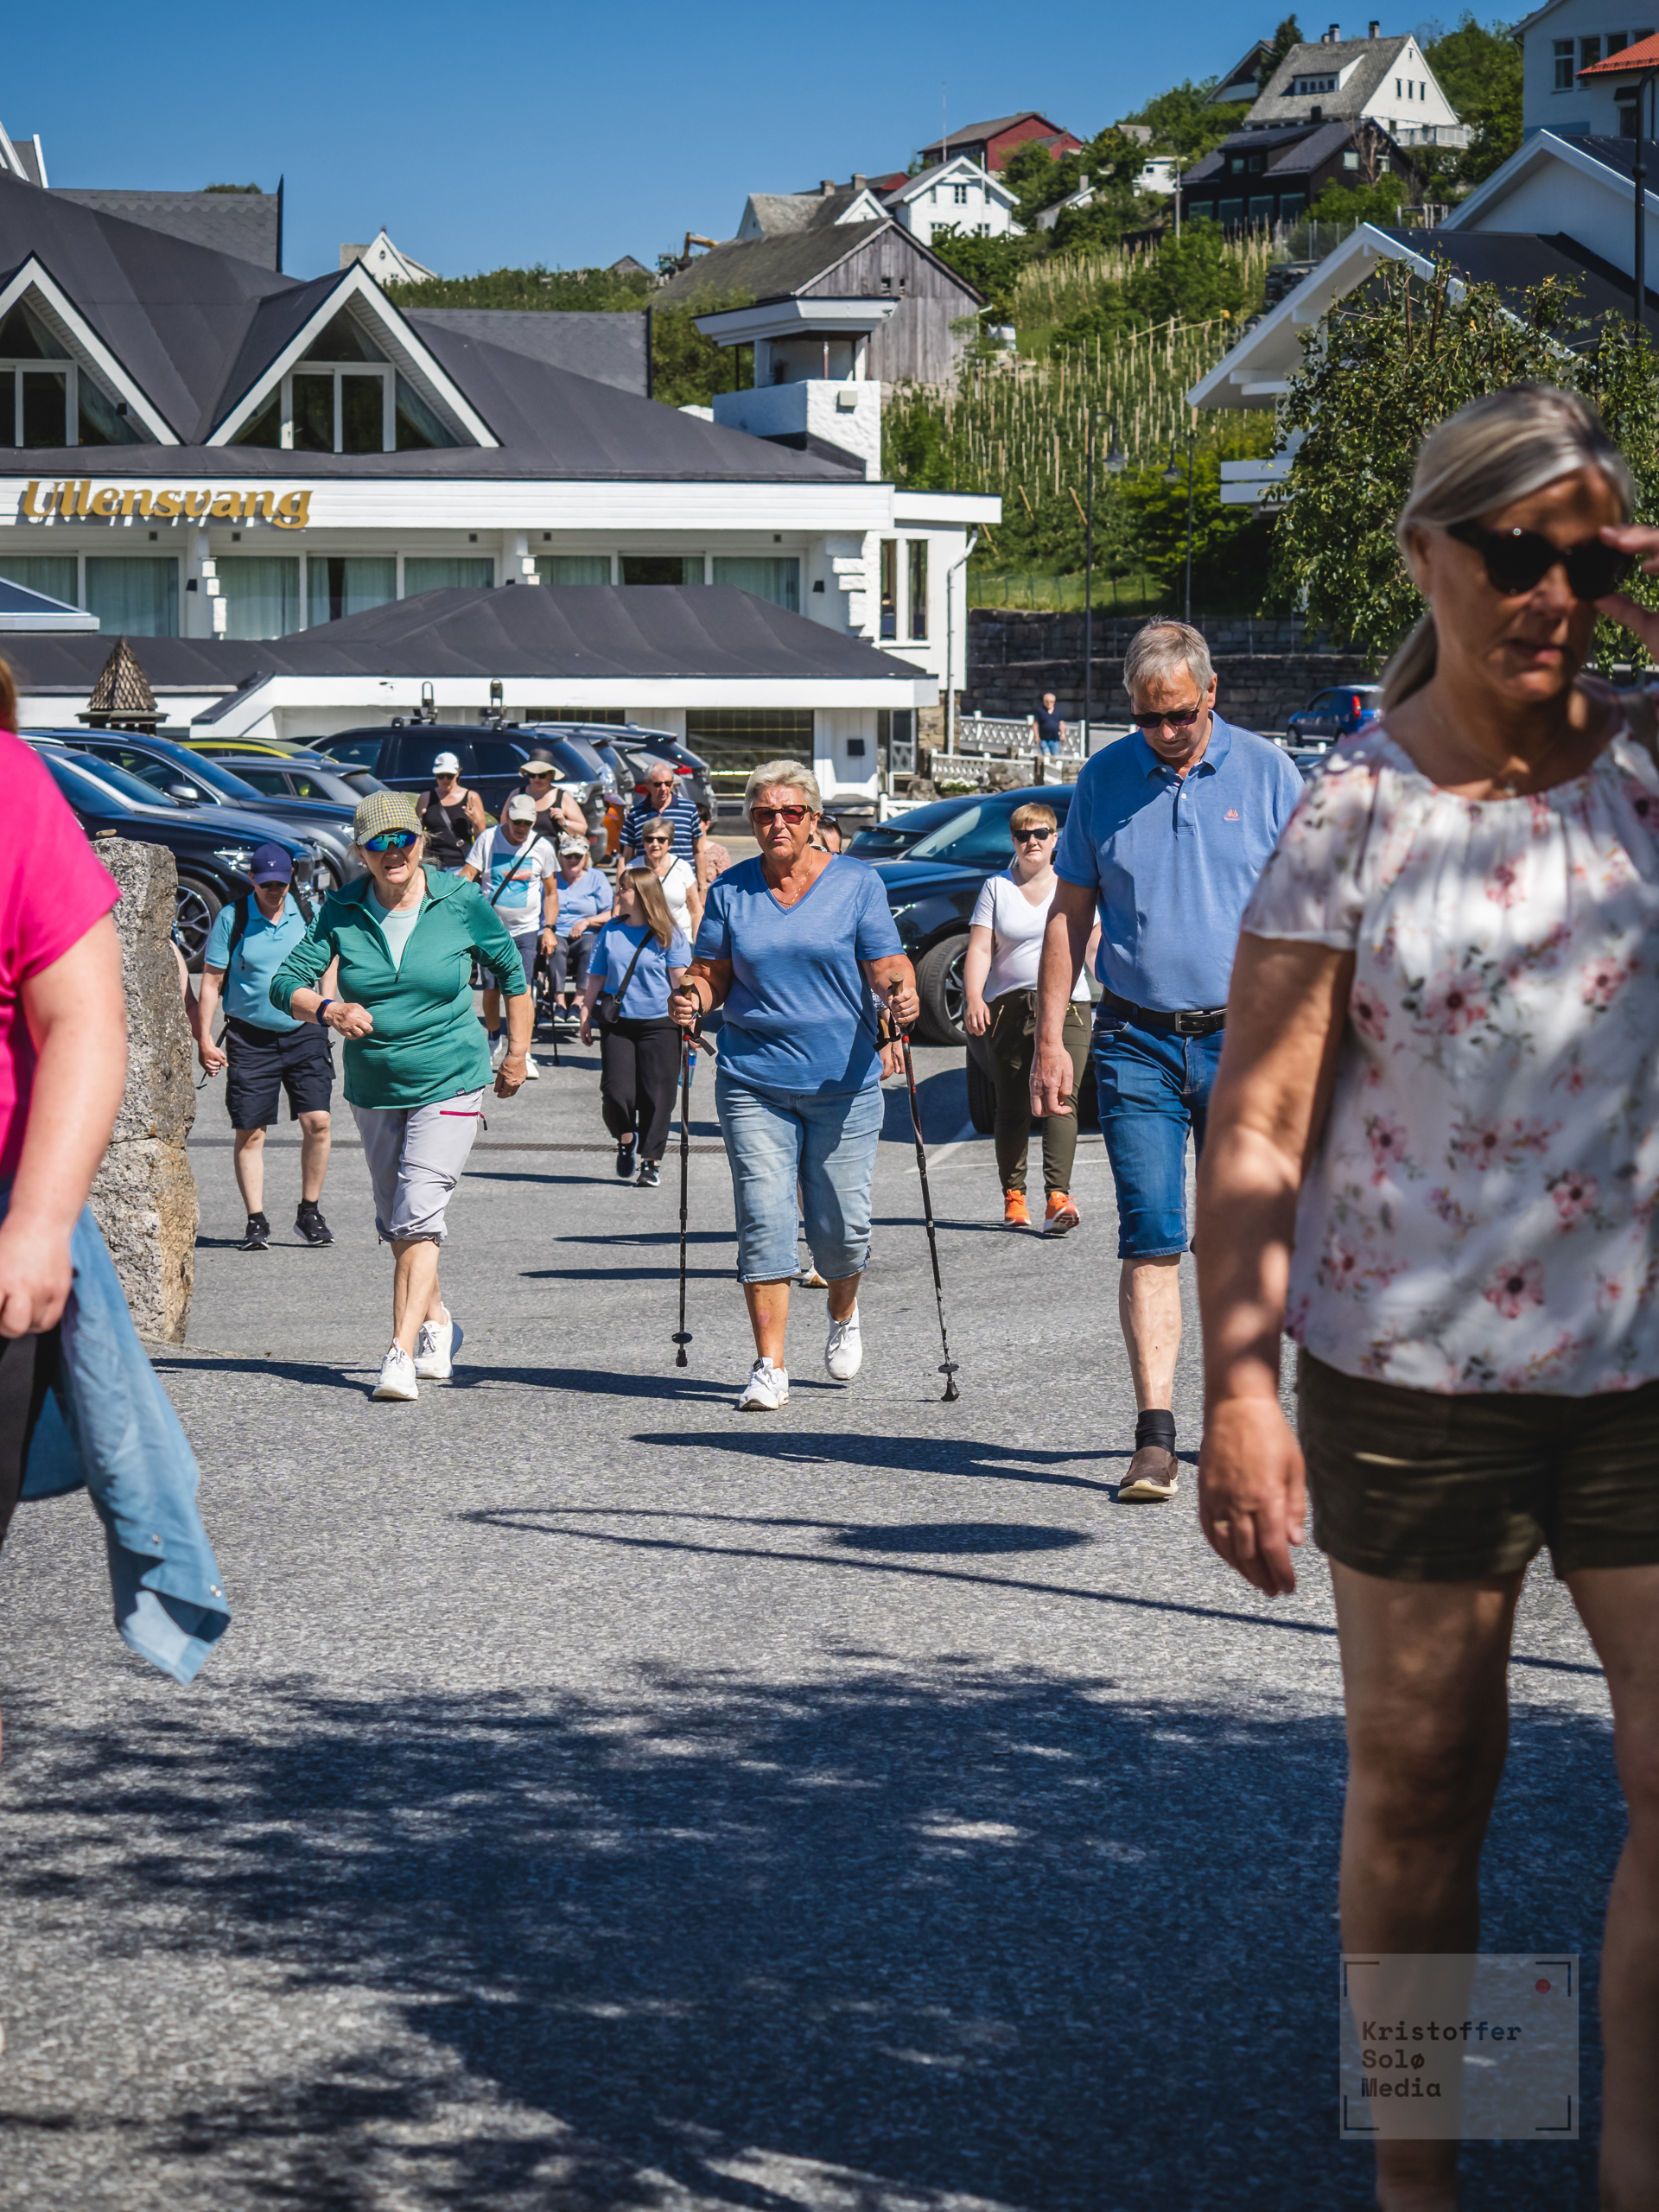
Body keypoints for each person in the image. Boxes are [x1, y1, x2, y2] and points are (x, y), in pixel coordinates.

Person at [1196, 385, 1659, 2212]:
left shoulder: (1652, 777)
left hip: (1646, 1378)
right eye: (1515, 551)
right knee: (1423, 1792)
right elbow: (1258, 1123)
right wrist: (1238, 1390)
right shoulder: (1356, 812)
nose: (1552, 593)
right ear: (1424, 555)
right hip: (1410, 1388)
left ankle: (1632, 2170)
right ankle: (1431, 2180)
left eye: (1591, 559)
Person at [1032, 617, 1301, 1503]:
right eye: (1148, 718)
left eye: (1181, 714)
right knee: (1151, 1235)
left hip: (1248, 1041)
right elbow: (1069, 914)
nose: (1166, 732)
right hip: (1134, 1037)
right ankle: (1155, 1438)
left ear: (1211, 693)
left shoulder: (1269, 774)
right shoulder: (1103, 779)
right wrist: (1049, 1040)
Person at [669, 760, 918, 1412]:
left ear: (813, 819)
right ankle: (769, 1365)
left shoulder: (856, 883)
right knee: (764, 1218)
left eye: (790, 812)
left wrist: (901, 992)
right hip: (753, 1079)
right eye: (764, 814)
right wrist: (693, 996)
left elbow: (887, 962)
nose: (777, 823)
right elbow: (711, 972)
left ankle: (843, 1310)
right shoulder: (732, 890)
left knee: (841, 1231)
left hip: (843, 1081)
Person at [271, 791, 531, 1402]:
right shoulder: (341, 909)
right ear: (360, 851)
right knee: (398, 1223)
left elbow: (512, 974)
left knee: (418, 1214)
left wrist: (516, 1053)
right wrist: (330, 1010)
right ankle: (438, 1323)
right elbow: (286, 984)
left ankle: (399, 1354)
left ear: (421, 841)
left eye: (403, 840)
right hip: (376, 1085)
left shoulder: (459, 900)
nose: (393, 852)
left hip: (452, 1076)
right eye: (378, 844)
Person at [963, 803, 1096, 1236]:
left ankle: (1058, 1197)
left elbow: (1094, 945)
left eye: (1040, 834)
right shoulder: (997, 887)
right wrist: (974, 997)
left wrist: (1117, 986)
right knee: (1013, 1103)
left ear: (1056, 838)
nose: (1032, 842)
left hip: (1070, 1005)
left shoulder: (1073, 885)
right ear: (1013, 841)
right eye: (1023, 835)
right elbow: (980, 948)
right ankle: (1014, 1195)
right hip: (1009, 1006)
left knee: (1062, 1095)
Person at [195, 842, 334, 1252]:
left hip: (305, 1030)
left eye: (281, 882)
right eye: (266, 883)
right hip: (250, 1036)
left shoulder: (308, 912)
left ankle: (309, 1211)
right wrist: (204, 1039)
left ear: (292, 877)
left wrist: (328, 1005)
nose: (275, 891)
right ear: (252, 878)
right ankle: (255, 1220)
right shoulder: (233, 917)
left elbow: (329, 961)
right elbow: (211, 981)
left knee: (318, 1122)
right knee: (251, 1131)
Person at [579, 868, 690, 1188]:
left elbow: (681, 984)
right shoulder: (611, 930)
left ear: (641, 895)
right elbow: (596, 977)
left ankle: (651, 1162)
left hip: (661, 1024)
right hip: (619, 1023)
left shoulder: (669, 933)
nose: (618, 893)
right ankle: (626, 1138)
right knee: (616, 1092)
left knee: (658, 1095)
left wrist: (691, 1019)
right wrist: (585, 1012)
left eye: (623, 888)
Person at [461, 794, 558, 1080]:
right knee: (491, 990)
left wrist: (549, 928)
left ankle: (523, 1051)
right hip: (491, 930)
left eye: (527, 823)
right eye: (517, 822)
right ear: (508, 819)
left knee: (522, 991)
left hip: (526, 930)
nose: (522, 828)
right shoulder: (488, 839)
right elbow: (468, 874)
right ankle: (494, 1038)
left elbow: (551, 891)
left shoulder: (542, 847)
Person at [549, 835, 612, 1021]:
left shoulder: (596, 877)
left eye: (578, 856)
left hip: (587, 933)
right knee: (554, 946)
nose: (573, 860)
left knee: (591, 945)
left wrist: (587, 921)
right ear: (560, 857)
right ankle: (559, 1003)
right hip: (557, 931)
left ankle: (578, 1002)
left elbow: (611, 912)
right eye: (568, 856)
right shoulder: (552, 878)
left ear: (585, 857)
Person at [638, 816, 704, 946]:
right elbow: (622, 911)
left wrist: (697, 944)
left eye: (661, 839)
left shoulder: (682, 868)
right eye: (649, 839)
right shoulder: (632, 869)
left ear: (670, 844)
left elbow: (696, 911)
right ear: (643, 842)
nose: (655, 844)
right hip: (642, 943)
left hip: (680, 941)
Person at [621, 761, 701, 865]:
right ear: (648, 784)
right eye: (658, 784)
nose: (663, 789)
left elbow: (698, 851)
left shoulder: (689, 809)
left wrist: (701, 876)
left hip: (682, 874)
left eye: (668, 784)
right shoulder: (635, 814)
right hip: (648, 874)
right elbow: (626, 855)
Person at [417, 752, 486, 872]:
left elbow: (482, 838)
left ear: (458, 773)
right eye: (441, 776)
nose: (445, 780)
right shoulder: (425, 798)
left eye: (450, 775)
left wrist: (476, 822)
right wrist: (420, 821)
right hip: (433, 864)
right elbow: (417, 835)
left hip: (461, 863)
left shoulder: (471, 797)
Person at [519, 756, 588, 844]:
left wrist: (565, 822)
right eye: (532, 775)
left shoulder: (562, 797)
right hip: (522, 850)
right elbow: (505, 825)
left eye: (542, 775)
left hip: (553, 850)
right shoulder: (518, 794)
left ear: (551, 775)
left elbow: (582, 830)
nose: (537, 779)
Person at [696, 800, 733, 889]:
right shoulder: (683, 850)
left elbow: (727, 882)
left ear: (707, 825)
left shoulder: (719, 851)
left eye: (698, 822)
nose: (694, 826)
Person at [1030, 690, 1066, 761]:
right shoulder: (1040, 711)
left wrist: (1063, 735)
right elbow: (1035, 724)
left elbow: (1061, 723)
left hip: (1055, 739)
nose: (1049, 703)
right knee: (1047, 756)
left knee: (1055, 758)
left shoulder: (1057, 711)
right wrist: (1036, 736)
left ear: (1054, 702)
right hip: (1043, 739)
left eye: (1051, 702)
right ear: (1044, 701)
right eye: (1047, 701)